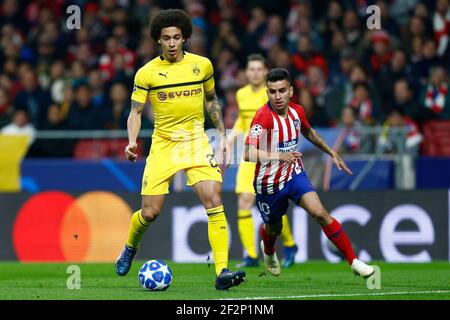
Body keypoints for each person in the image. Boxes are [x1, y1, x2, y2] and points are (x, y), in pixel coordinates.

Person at [115, 9, 245, 290]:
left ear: (185, 37)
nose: (172, 43)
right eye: (166, 38)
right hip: (163, 144)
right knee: (150, 213)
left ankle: (222, 271)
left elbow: (212, 100)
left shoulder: (203, 65)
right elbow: (135, 112)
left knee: (213, 197)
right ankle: (129, 246)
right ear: (157, 41)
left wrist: (222, 135)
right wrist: (131, 141)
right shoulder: (147, 72)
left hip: (196, 141)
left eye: (176, 37)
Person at [244, 67, 374, 277]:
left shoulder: (298, 112)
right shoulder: (262, 117)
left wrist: (331, 151)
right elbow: (247, 153)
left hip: (294, 174)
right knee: (273, 228)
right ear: (267, 92)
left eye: (282, 90)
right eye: (272, 91)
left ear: (291, 91)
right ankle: (268, 250)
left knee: (320, 213)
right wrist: (279, 156)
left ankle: (354, 261)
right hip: (268, 183)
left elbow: (309, 132)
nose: (277, 96)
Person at [228, 53, 298, 268]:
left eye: (259, 69)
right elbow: (243, 119)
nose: (255, 73)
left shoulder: (272, 95)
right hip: (250, 156)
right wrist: (230, 139)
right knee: (243, 202)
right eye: (251, 69)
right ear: (246, 72)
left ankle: (290, 243)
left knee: (271, 207)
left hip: (270, 157)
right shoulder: (241, 94)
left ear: (266, 71)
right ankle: (250, 255)